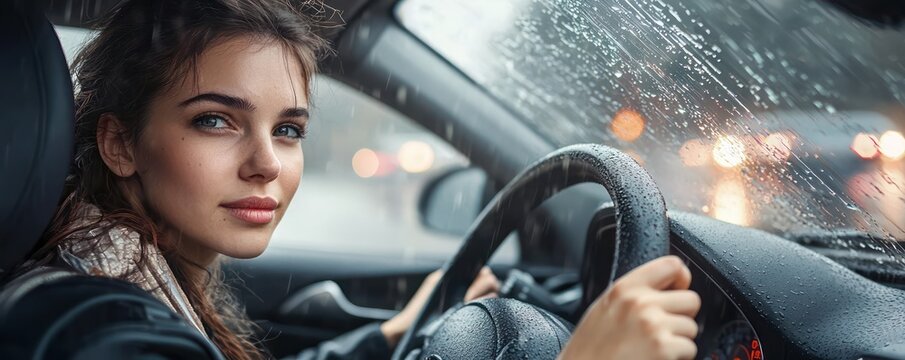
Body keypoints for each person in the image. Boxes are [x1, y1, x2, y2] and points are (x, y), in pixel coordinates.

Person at [18, 0, 700, 359]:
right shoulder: (91, 316)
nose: (267, 164)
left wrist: (389, 336)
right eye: (216, 121)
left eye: (288, 129)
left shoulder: (114, 269)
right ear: (119, 143)